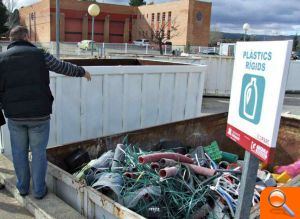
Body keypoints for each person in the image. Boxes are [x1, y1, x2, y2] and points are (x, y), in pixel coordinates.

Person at [0, 25, 91, 199]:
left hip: (15, 116)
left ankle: (23, 188)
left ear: (11, 40)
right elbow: (62, 67)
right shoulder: (40, 55)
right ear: (26, 37)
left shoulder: (2, 59)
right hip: (39, 115)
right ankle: (39, 191)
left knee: (18, 152)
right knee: (38, 153)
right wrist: (81, 71)